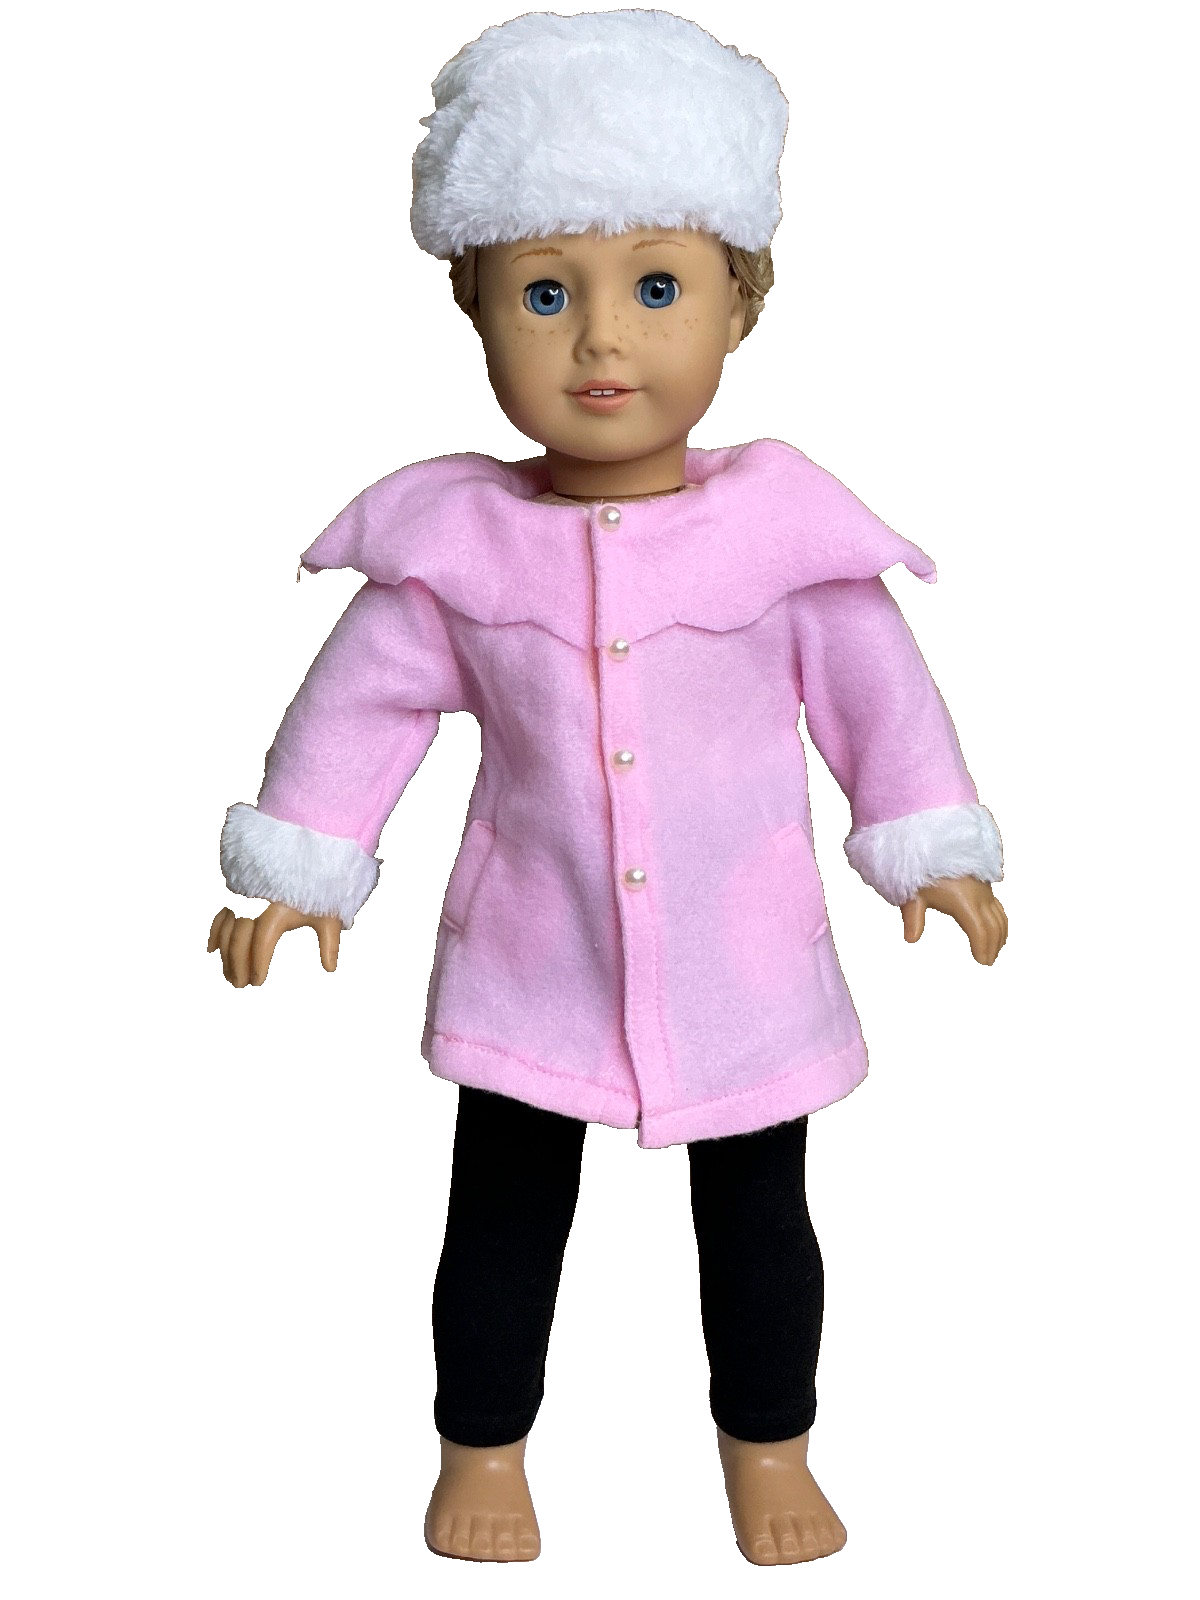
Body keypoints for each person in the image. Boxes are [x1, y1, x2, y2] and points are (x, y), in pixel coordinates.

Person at [209, 10, 1006, 1566]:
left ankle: (769, 1445)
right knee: (502, 1218)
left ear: (740, 302)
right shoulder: (454, 551)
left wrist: (929, 848)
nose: (599, 343)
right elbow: (359, 710)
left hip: (745, 956)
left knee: (761, 1225)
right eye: (544, 293)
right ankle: (481, 1447)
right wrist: (299, 867)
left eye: (655, 288)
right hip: (535, 946)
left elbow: (884, 705)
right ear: (473, 305)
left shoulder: (788, 540)